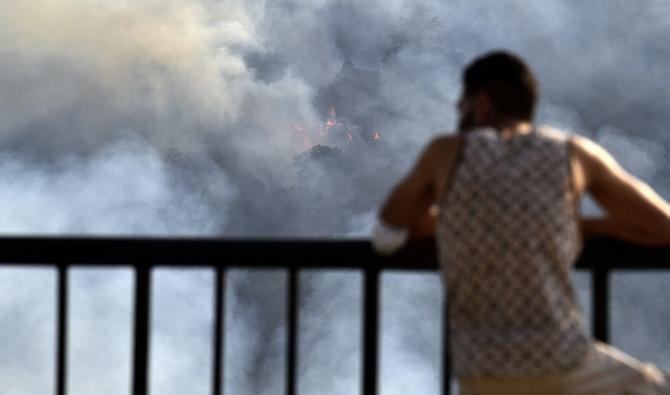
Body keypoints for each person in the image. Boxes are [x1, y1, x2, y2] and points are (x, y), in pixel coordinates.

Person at [374, 51, 670, 395]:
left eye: (461, 105)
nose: (458, 114)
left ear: (481, 104)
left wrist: (460, 220)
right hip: (563, 363)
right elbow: (663, 226)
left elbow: (386, 237)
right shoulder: (573, 154)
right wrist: (587, 227)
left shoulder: (445, 153)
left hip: (479, 372)